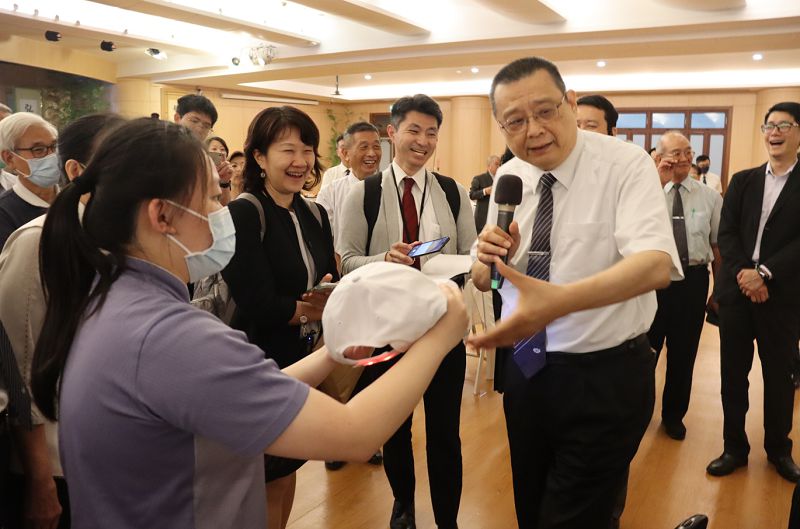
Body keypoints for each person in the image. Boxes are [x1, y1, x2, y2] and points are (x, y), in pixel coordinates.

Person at [29, 118, 468, 529]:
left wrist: (331, 354)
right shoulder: (170, 335)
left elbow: (239, 389)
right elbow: (354, 435)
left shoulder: (113, 300)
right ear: (161, 216)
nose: (222, 208)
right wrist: (440, 335)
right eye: (212, 197)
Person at [468, 56, 680, 529]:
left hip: (603, 374)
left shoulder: (623, 164)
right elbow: (486, 280)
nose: (534, 130)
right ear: (501, 127)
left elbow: (656, 265)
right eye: (515, 121)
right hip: (527, 367)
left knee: (575, 517)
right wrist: (489, 261)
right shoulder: (511, 177)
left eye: (545, 111)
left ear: (570, 101)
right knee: (530, 505)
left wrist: (558, 301)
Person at [339, 94, 476, 529]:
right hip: (387, 330)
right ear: (392, 133)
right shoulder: (364, 193)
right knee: (395, 427)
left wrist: (469, 265)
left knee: (445, 433)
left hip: (442, 330)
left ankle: (448, 519)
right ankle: (403, 505)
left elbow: (471, 254)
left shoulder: (453, 192)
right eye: (414, 130)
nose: (423, 141)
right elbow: (346, 261)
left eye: (432, 133)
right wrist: (384, 259)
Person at [0, 112, 125, 529]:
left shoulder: (120, 238)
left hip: (110, 448)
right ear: (76, 171)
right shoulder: (38, 242)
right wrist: (39, 480)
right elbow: (19, 367)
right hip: (57, 460)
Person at [220, 106, 339, 529]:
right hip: (260, 362)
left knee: (287, 470)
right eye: (287, 150)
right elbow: (257, 302)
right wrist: (311, 310)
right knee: (264, 478)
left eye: (307, 150)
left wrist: (328, 294)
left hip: (303, 358)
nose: (300, 161)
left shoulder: (315, 213)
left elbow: (330, 277)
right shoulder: (245, 213)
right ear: (259, 157)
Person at [706, 101, 800, 483]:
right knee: (733, 375)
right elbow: (726, 232)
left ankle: (779, 450)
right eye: (769, 126)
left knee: (780, 377)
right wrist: (746, 274)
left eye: (784, 125)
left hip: (782, 297)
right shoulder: (743, 180)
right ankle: (734, 448)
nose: (774, 132)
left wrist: (765, 273)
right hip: (738, 294)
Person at [649, 131, 722, 441]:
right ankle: (637, 411)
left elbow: (717, 245)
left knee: (684, 352)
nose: (683, 158)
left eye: (687, 152)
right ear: (659, 157)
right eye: (675, 153)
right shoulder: (647, 193)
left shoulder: (710, 197)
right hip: (652, 282)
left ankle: (673, 415)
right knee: (645, 351)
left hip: (692, 282)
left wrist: (719, 289)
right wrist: (657, 181)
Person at [316, 121, 382, 252]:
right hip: (344, 263)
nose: (371, 153)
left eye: (376, 146)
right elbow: (319, 236)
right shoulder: (330, 193)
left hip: (384, 262)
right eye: (364, 147)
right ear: (346, 154)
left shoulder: (391, 188)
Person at [0, 112, 59, 248]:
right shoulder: (4, 214)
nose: (52, 156)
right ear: (10, 158)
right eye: (38, 150)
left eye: (54, 146)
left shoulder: (77, 195)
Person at [174, 95, 234, 204]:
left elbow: (221, 207)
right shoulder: (161, 151)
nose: (199, 128)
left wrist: (224, 182)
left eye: (206, 126)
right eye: (194, 121)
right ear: (177, 118)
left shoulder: (206, 161)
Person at [469, 155, 501, 234]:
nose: (499, 166)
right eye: (496, 164)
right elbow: (472, 195)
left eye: (500, 164)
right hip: (483, 219)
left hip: (497, 219)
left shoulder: (501, 179)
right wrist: (485, 191)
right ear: (489, 166)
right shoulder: (479, 178)